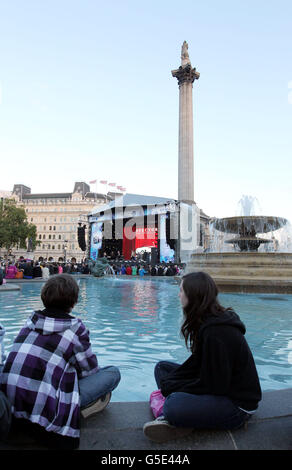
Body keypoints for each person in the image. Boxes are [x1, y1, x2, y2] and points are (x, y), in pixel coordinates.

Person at [0, 274, 121, 449]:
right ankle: (83, 409)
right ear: (73, 302)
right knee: (112, 373)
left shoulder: (29, 323)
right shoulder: (75, 329)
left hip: (12, 412)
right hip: (45, 420)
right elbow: (89, 370)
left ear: (44, 297)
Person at [143, 271, 262, 443]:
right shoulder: (207, 322)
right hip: (216, 385)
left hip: (237, 404)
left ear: (193, 296)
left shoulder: (216, 333)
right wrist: (173, 383)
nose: (179, 294)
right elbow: (197, 365)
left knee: (173, 404)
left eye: (182, 290)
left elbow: (216, 385)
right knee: (162, 368)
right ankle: (188, 416)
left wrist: (176, 389)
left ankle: (178, 418)